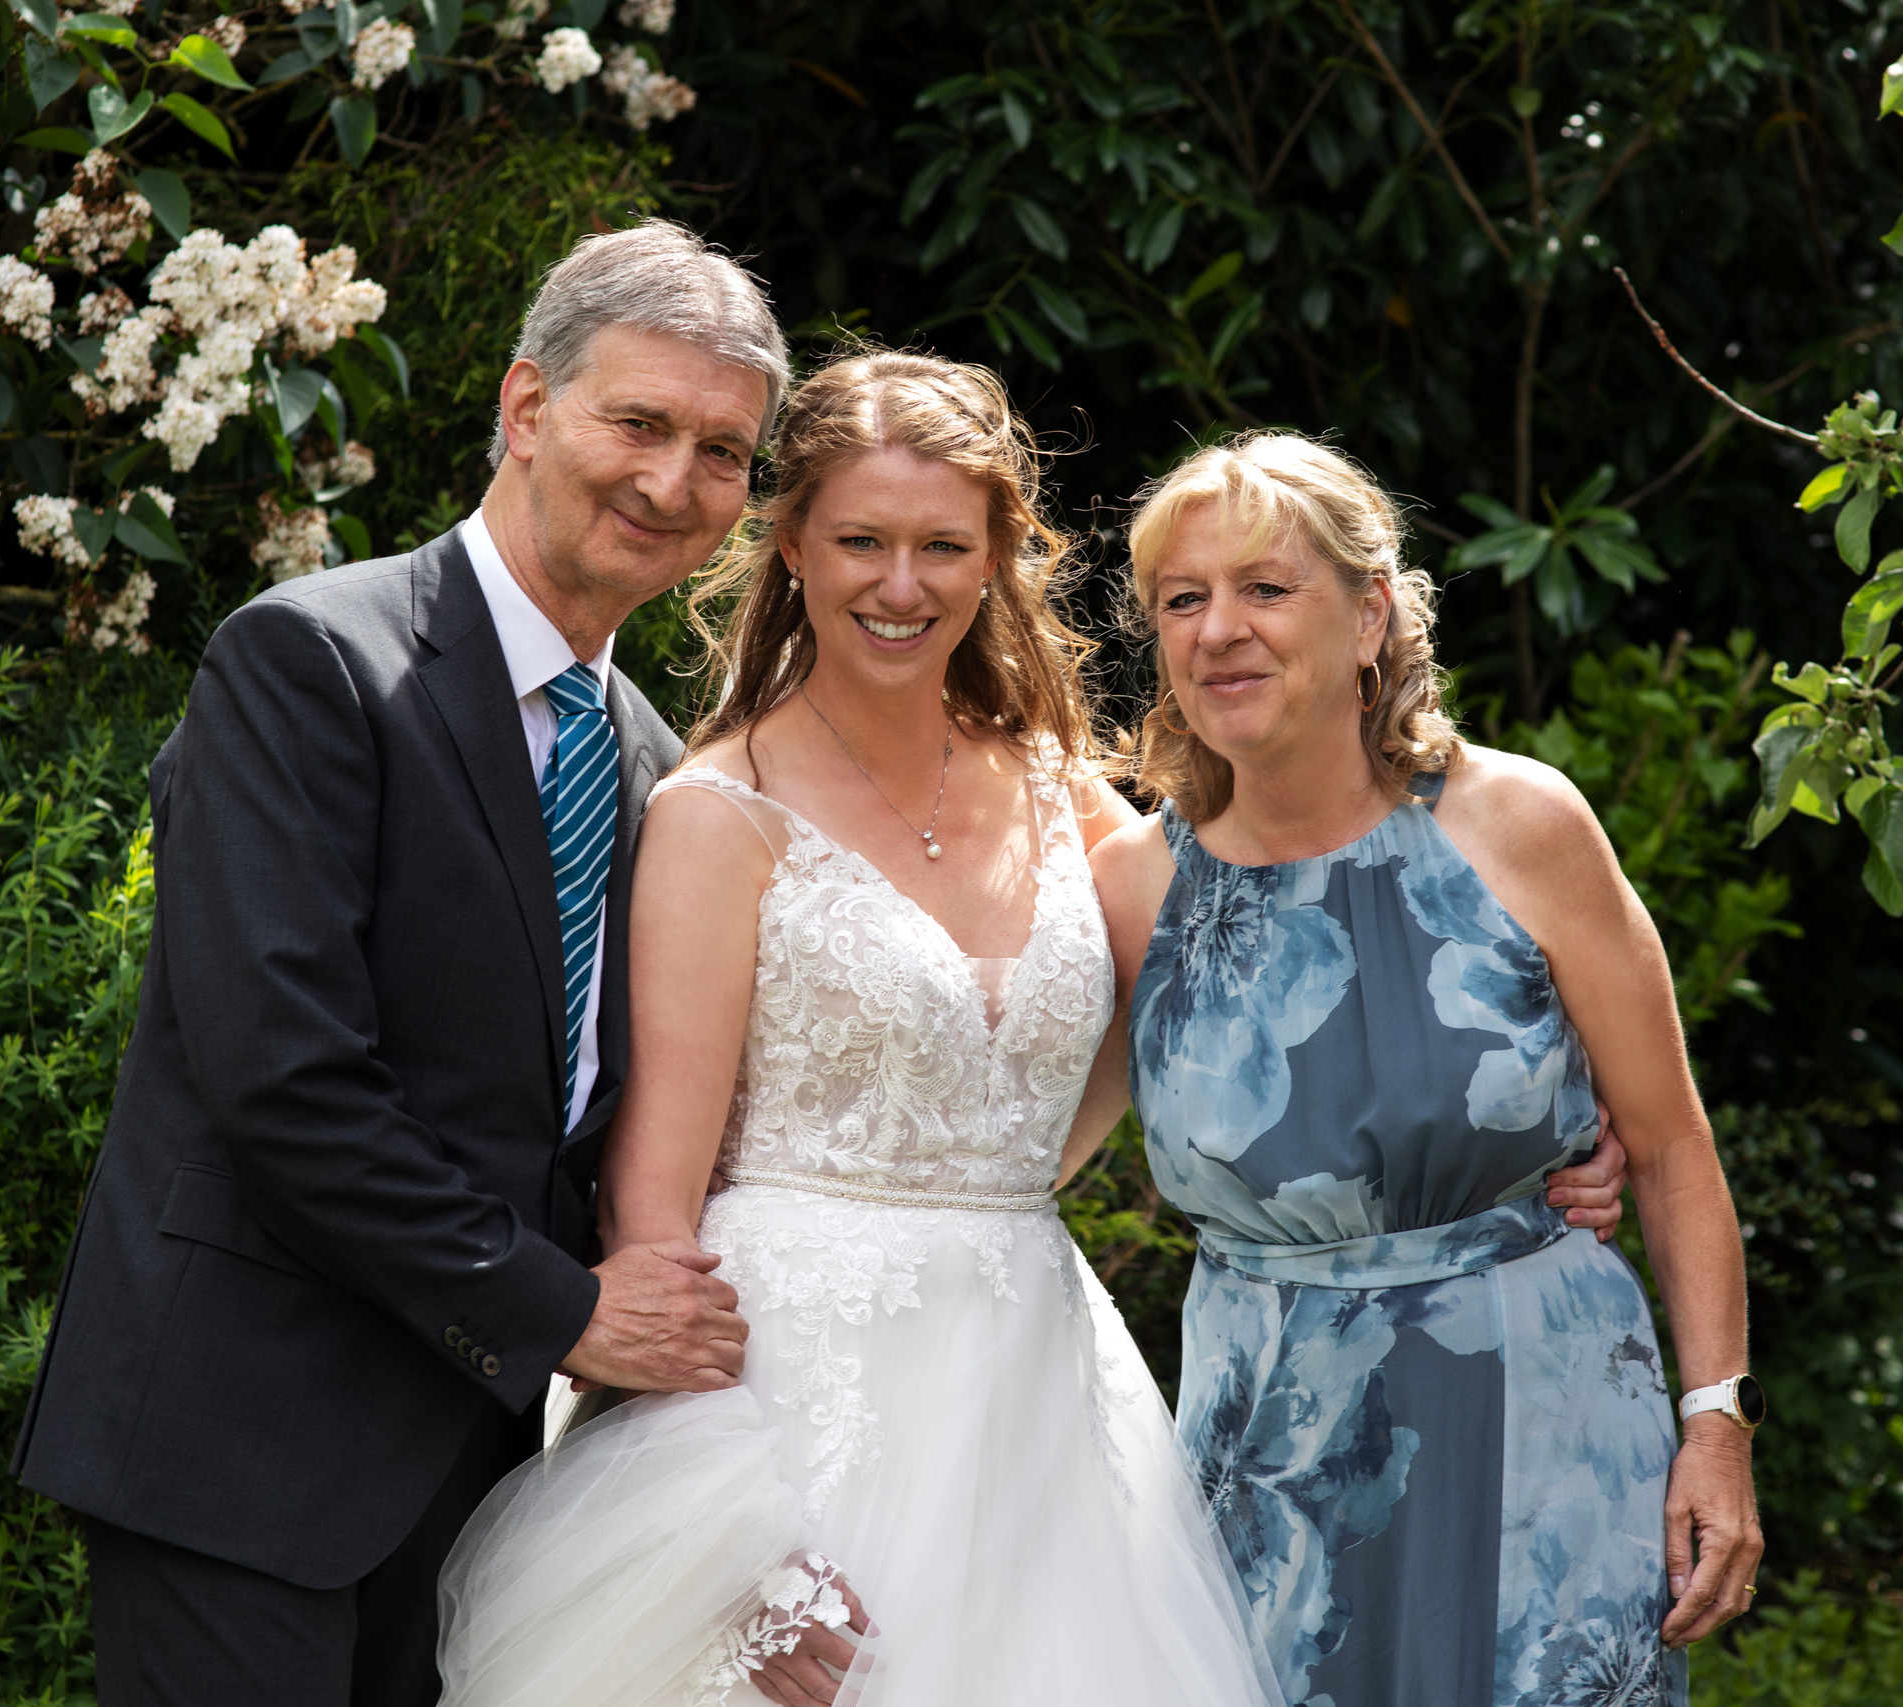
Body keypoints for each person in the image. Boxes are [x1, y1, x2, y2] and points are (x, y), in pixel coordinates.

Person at [9, 219, 789, 1706]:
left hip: (480, 1489)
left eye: (723, 452)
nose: (672, 481)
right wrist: (562, 1311)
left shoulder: (657, 765)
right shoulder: (309, 660)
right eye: (640, 422)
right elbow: (283, 1074)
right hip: (244, 1439)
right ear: (527, 406)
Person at [434, 351, 1287, 1707]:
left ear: (996, 554)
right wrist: (727, 1538)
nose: (902, 585)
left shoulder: (1069, 797)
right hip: (791, 1406)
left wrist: (1537, 1145)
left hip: (1040, 1409)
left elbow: (1250, 1007)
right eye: (861, 542)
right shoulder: (718, 811)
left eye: (943, 545)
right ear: (792, 545)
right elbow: (651, 1207)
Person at [1091, 434, 1765, 1707]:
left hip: (1546, 1426)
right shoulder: (1133, 890)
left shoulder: (1519, 826)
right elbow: (1006, 1161)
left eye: (1264, 588)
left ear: (1369, 617)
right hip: (1268, 1455)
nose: (1219, 630)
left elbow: (1671, 1146)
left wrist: (1716, 1422)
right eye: (1182, 600)